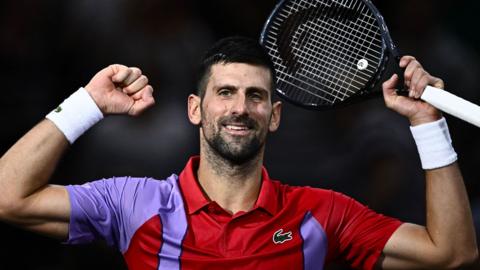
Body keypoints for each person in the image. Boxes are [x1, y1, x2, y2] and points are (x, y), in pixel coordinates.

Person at [0, 36, 477, 269]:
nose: (240, 108)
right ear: (195, 109)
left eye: (255, 96)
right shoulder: (135, 205)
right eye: (225, 92)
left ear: (274, 116)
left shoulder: (320, 215)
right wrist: (85, 104)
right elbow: (8, 196)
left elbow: (454, 255)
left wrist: (427, 123)